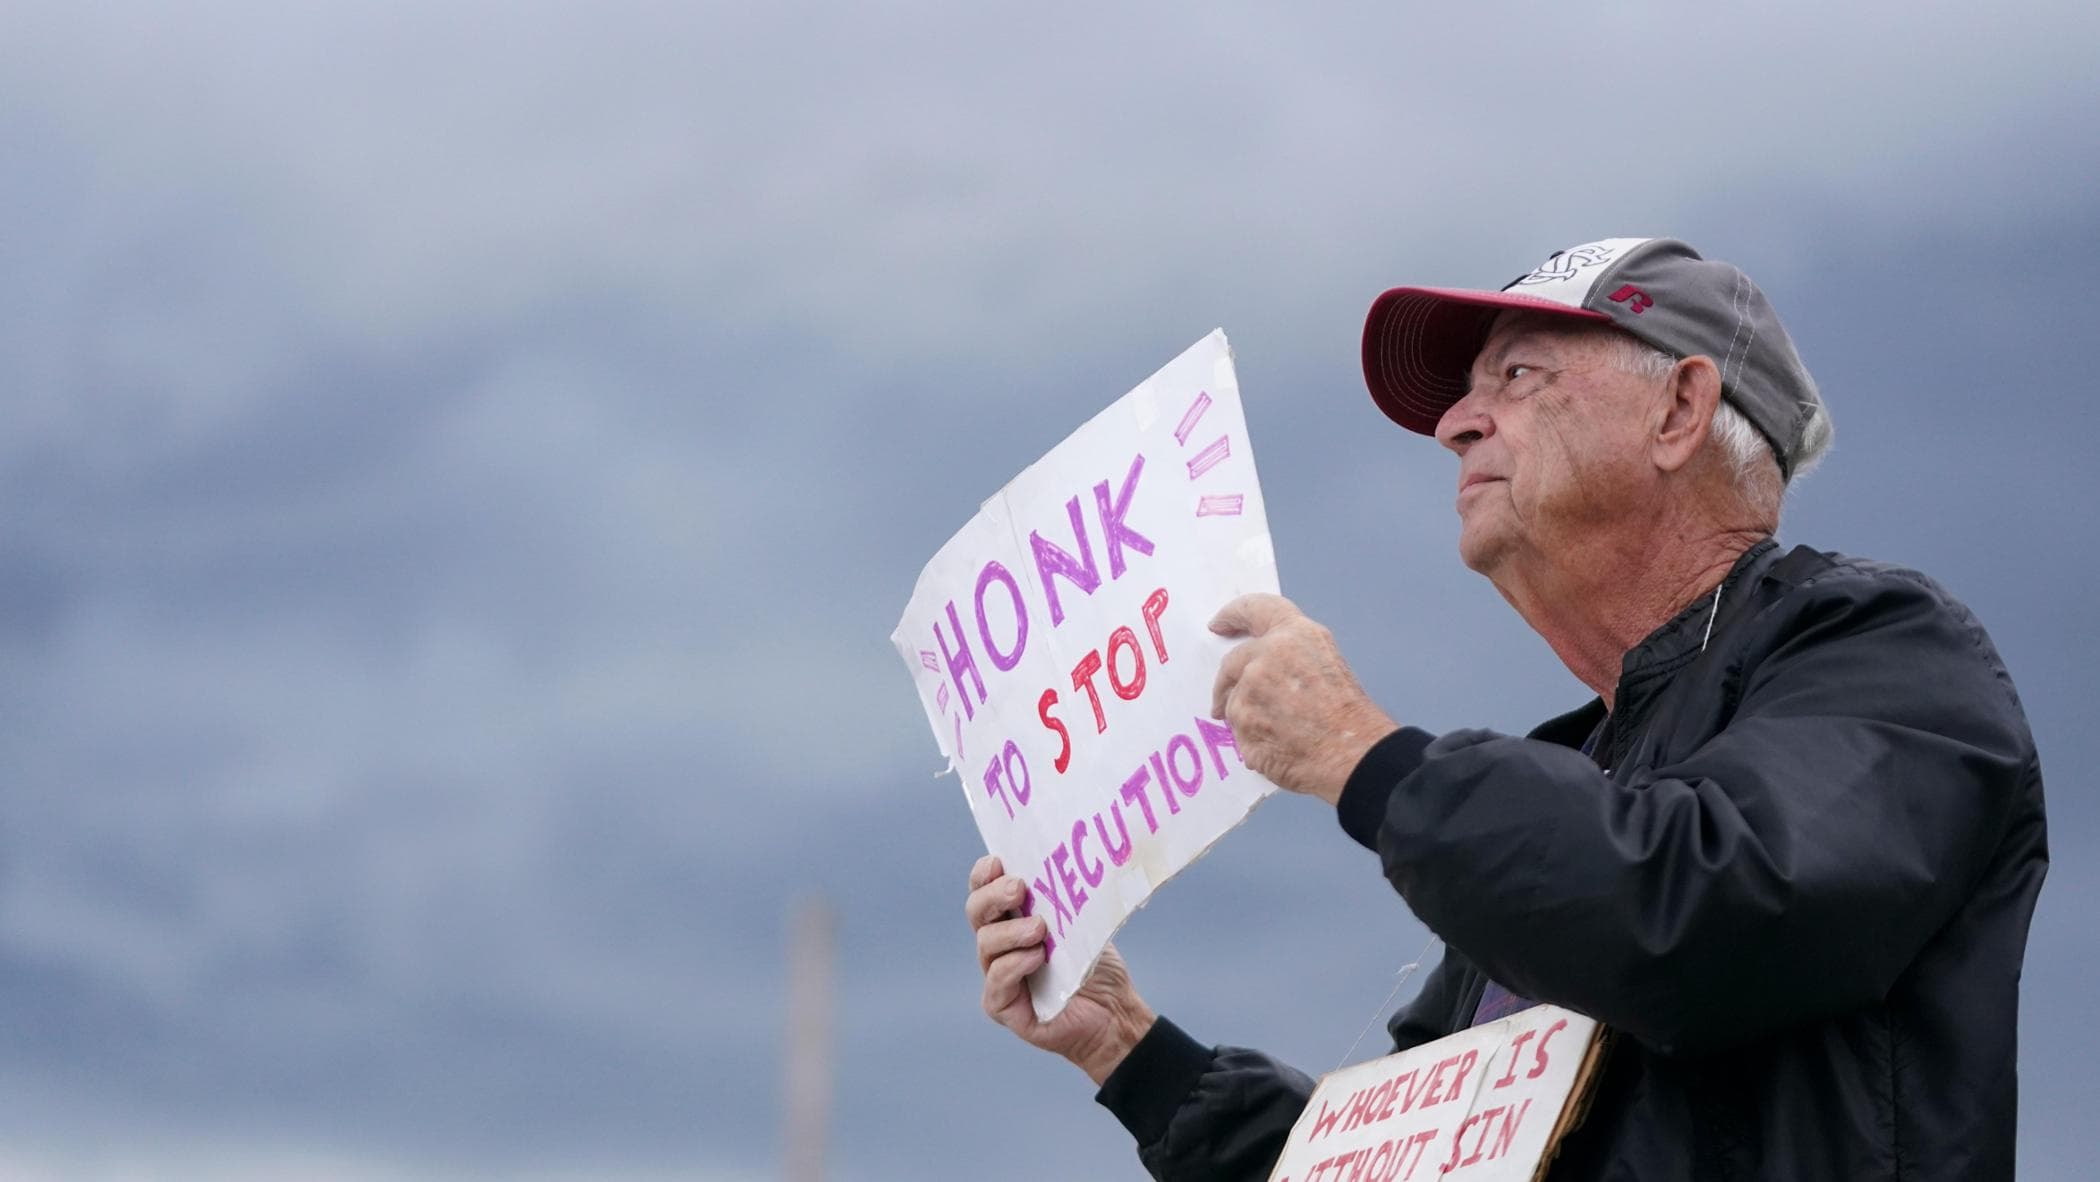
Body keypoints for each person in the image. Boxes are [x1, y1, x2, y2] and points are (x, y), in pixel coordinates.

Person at [962, 237, 2049, 1180]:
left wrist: (1362, 754)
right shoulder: (1572, 792)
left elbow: (1698, 916)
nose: (1454, 426)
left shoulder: (1885, 650)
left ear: (1680, 410)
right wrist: (1130, 1051)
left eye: (1518, 375)